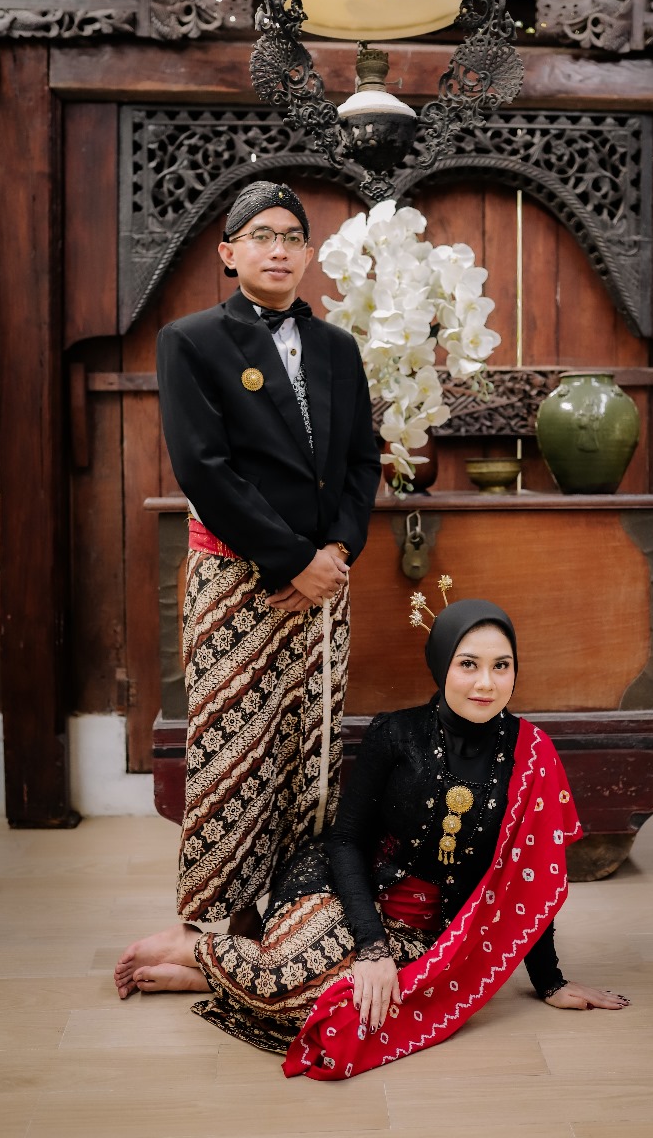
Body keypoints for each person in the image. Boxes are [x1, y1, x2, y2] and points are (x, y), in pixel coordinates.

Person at [122, 595, 630, 1078]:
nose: (486, 683)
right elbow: (346, 841)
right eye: (468, 664)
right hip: (347, 891)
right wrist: (371, 948)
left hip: (429, 935)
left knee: (349, 1011)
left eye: (502, 666)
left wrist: (550, 981)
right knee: (286, 974)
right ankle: (194, 946)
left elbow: (531, 881)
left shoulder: (533, 755)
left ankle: (210, 977)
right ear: (442, 666)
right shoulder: (396, 734)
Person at [114, 181, 381, 999]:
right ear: (228, 253)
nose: (277, 248)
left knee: (310, 752)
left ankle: (291, 916)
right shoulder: (190, 340)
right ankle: (206, 927)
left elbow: (361, 462)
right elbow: (205, 470)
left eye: (291, 236)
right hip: (237, 580)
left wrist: (335, 551)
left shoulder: (336, 347)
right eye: (259, 235)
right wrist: (292, 561)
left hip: (325, 583)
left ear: (308, 254)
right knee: (232, 750)